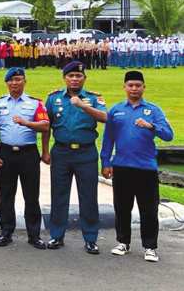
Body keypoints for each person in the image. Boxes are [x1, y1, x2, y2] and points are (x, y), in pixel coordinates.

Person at [101, 70, 173, 262]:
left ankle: (150, 247)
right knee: (122, 207)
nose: (134, 89)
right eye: (130, 85)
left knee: (148, 209)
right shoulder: (116, 111)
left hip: (146, 167)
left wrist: (151, 126)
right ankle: (123, 242)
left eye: (138, 86)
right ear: (124, 87)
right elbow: (108, 139)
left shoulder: (153, 110)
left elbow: (168, 135)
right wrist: (106, 162)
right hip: (122, 166)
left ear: (143, 87)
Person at [45, 61, 107, 254]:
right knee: (59, 194)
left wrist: (83, 105)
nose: (74, 79)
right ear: (65, 78)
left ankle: (90, 238)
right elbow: (46, 125)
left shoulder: (93, 98)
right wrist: (45, 150)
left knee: (88, 196)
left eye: (78, 76)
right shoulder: (54, 99)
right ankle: (57, 235)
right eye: (70, 76)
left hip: (85, 153)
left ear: (84, 78)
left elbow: (105, 118)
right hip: (61, 152)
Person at [0, 67, 50, 249]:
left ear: (25, 81)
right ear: (6, 83)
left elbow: (45, 126)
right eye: (12, 80)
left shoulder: (35, 103)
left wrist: (26, 123)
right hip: (6, 153)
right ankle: (6, 232)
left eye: (19, 79)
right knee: (6, 194)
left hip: (28, 153)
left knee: (31, 195)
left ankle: (34, 234)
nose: (15, 83)